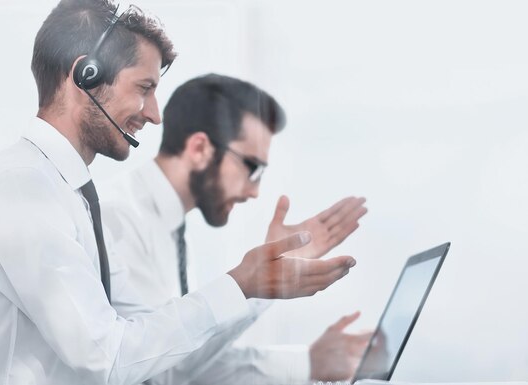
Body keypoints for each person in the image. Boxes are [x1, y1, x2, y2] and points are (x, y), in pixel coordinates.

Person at [0, 1, 357, 384]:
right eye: (144, 88)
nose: (155, 115)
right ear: (86, 76)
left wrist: (254, 283)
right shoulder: (23, 188)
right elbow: (107, 358)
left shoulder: (74, 195)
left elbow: (156, 350)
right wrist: (242, 284)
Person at [101, 74, 370, 384]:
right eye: (252, 167)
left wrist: (307, 363)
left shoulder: (170, 226)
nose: (254, 192)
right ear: (200, 148)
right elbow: (162, 372)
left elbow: (185, 364)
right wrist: (258, 285)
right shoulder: (118, 219)